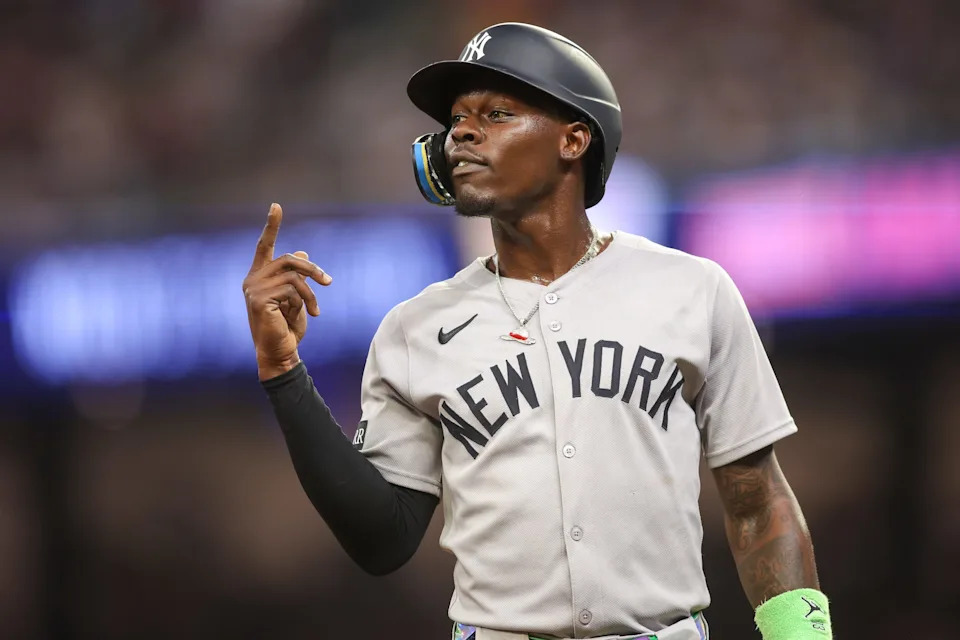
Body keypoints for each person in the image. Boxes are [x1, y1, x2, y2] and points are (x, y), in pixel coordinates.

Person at [242, 22, 833, 640]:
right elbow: (381, 539)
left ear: (573, 140)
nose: (461, 133)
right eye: (457, 120)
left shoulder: (692, 289)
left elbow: (757, 501)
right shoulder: (415, 328)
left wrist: (803, 636)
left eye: (496, 114)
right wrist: (284, 373)